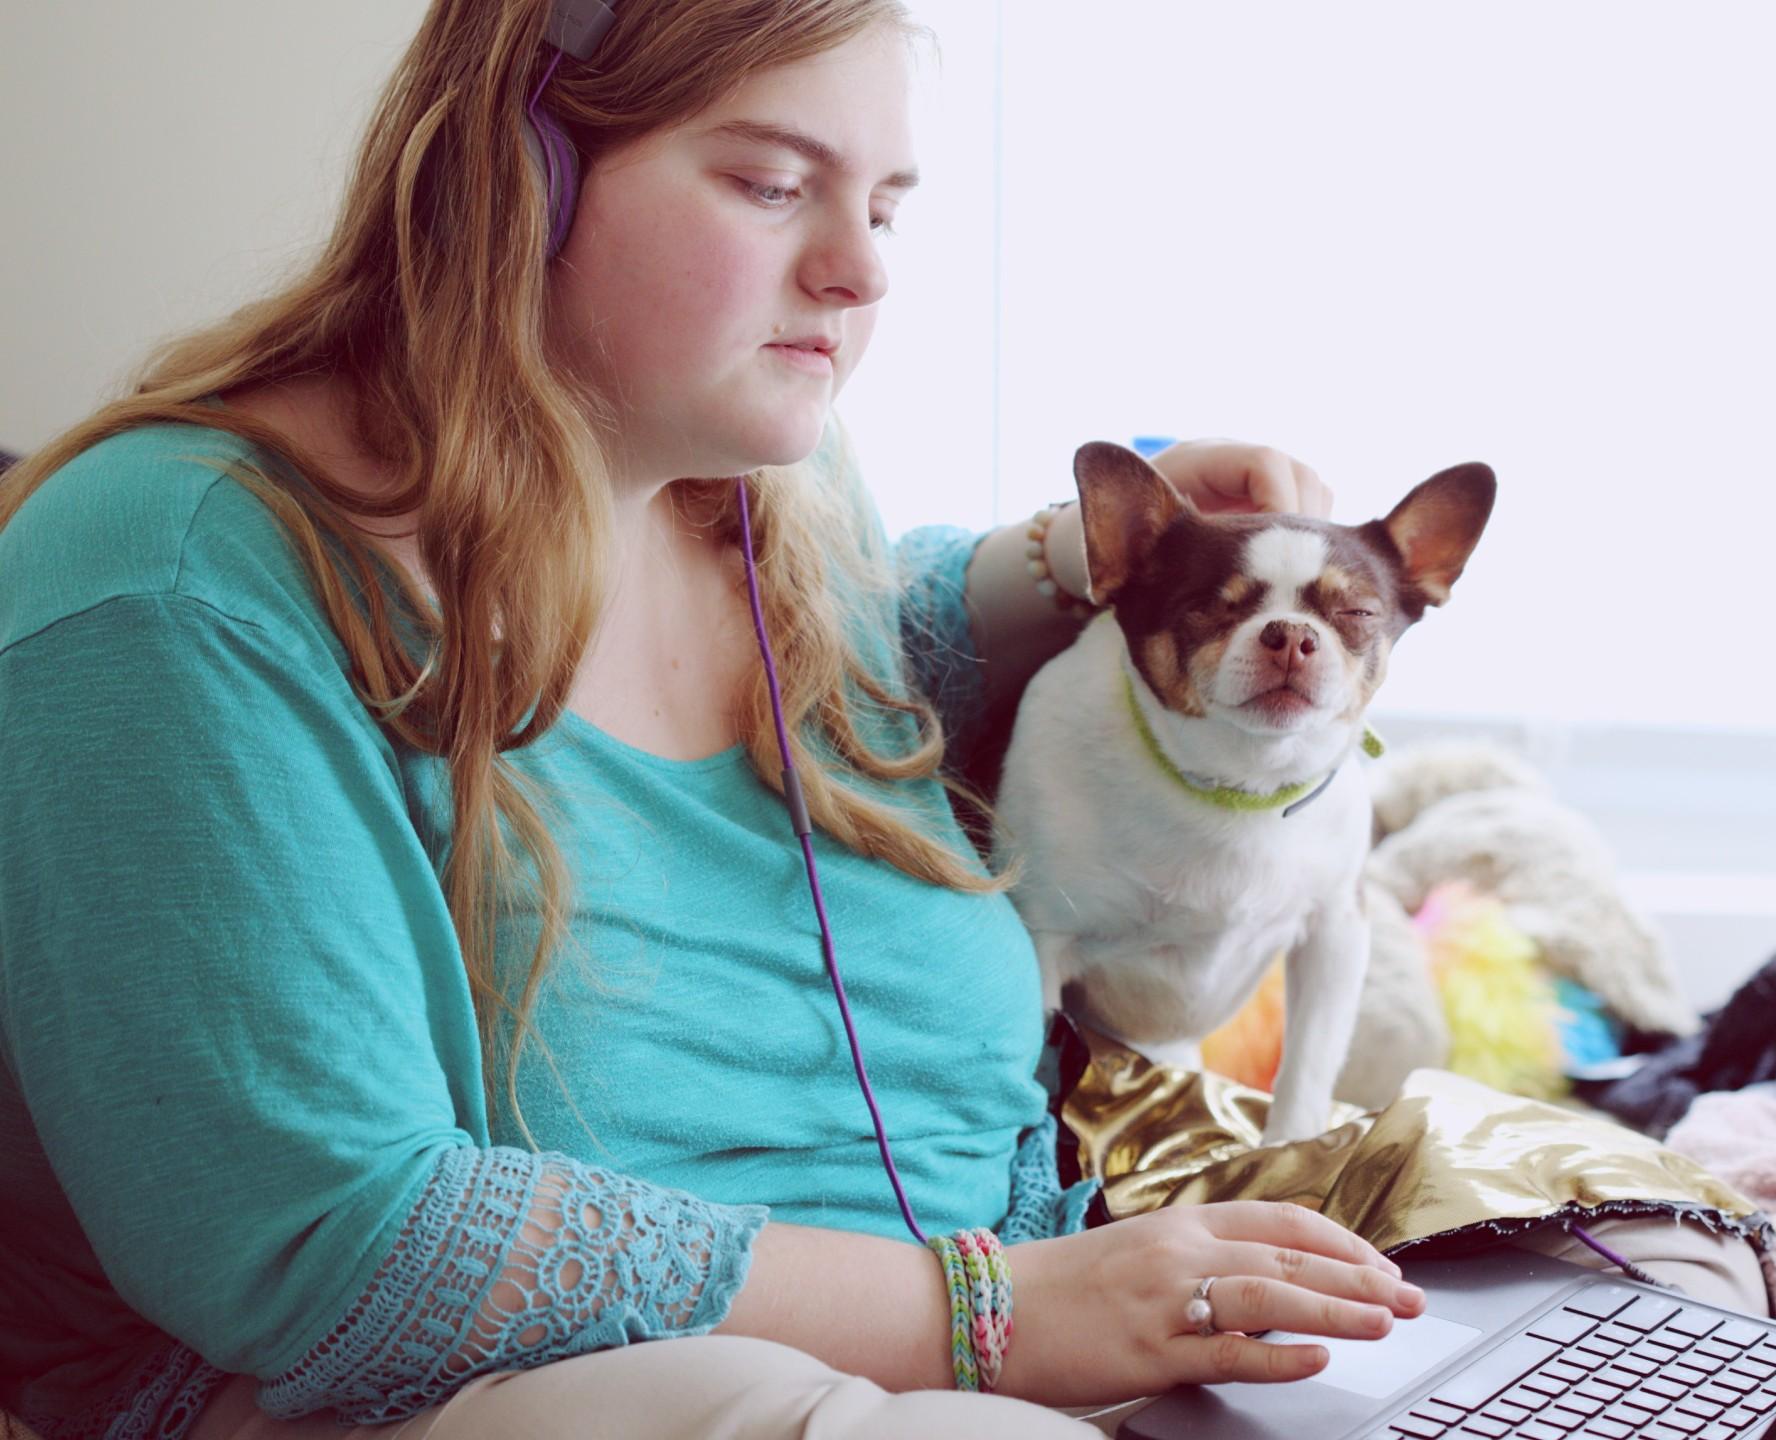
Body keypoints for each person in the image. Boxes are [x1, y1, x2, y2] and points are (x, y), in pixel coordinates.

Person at [0, 3, 1437, 1436]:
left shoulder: (755, 487)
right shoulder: (172, 583)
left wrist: (1087, 556)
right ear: (522, 176)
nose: (862, 269)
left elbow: (868, 686)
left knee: (1521, 1282)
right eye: (772, 184)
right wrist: (999, 1316)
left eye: (886, 207)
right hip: (502, 1395)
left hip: (1021, 1329)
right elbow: (336, 1242)